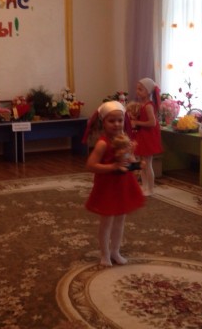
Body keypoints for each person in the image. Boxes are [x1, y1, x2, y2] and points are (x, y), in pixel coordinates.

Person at [84, 101, 145, 267]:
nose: (117, 124)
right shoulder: (102, 143)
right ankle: (104, 254)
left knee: (120, 220)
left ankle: (115, 251)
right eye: (112, 121)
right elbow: (91, 165)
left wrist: (136, 163)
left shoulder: (124, 140)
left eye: (120, 120)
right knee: (107, 221)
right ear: (103, 122)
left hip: (123, 185)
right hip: (108, 186)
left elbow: (129, 161)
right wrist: (113, 166)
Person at [130, 78, 163, 196]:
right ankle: (144, 186)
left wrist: (137, 122)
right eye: (137, 89)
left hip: (148, 136)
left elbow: (152, 123)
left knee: (147, 164)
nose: (137, 92)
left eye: (140, 89)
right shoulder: (142, 105)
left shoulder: (149, 106)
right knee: (142, 163)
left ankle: (151, 189)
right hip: (142, 135)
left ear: (148, 92)